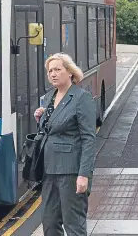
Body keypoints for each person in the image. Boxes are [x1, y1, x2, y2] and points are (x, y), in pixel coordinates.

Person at [34, 52, 96, 236]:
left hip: (71, 171)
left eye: (57, 69)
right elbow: (52, 130)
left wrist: (84, 175)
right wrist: (41, 119)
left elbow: (89, 138)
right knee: (50, 223)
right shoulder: (49, 98)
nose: (53, 74)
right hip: (48, 170)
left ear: (69, 72)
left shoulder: (81, 98)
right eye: (50, 71)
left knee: (73, 224)